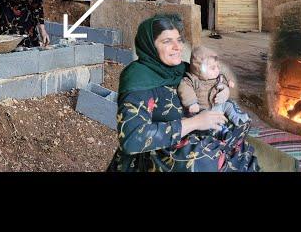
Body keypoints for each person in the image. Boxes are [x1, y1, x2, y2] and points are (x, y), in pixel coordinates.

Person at [107, 14, 260, 172]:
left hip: (197, 141)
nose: (178, 47)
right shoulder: (138, 79)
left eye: (179, 40)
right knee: (203, 163)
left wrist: (223, 88)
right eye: (167, 41)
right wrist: (196, 122)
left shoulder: (182, 69)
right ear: (150, 46)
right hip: (157, 156)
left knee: (239, 137)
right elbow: (132, 139)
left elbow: (210, 80)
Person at [178, 45, 250, 137]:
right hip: (203, 110)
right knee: (210, 123)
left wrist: (228, 83)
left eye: (217, 66)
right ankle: (221, 132)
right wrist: (191, 103)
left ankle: (238, 118)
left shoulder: (217, 76)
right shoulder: (192, 80)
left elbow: (223, 77)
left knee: (229, 104)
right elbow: (185, 88)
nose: (217, 70)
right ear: (199, 69)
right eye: (213, 68)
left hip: (217, 105)